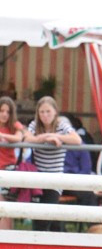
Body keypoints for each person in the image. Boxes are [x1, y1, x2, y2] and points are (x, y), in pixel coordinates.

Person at [22, 96, 81, 231]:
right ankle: (39, 246)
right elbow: (27, 138)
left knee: (47, 216)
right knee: (40, 218)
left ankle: (46, 245)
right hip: (38, 178)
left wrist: (57, 137)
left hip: (55, 178)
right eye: (42, 112)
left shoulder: (62, 125)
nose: (45, 115)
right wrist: (44, 138)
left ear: (55, 112)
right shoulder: (34, 124)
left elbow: (77, 139)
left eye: (48, 111)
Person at [0, 97, 24, 230]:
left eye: (7, 112)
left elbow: (19, 138)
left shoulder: (15, 125)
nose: (4, 114)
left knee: (5, 206)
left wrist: (3, 137)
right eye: (1, 110)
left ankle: (6, 237)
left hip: (8, 170)